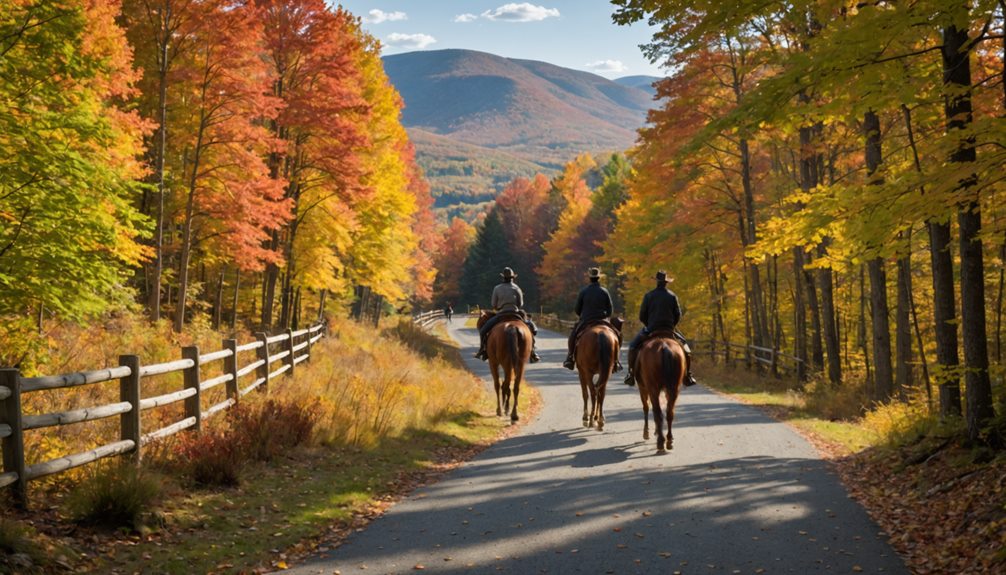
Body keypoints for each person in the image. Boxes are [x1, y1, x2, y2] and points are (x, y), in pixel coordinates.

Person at [623, 270, 697, 387]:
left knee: (633, 346)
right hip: (669, 328)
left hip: (652, 328)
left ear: (657, 282)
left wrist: (649, 325)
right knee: (686, 349)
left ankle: (631, 374)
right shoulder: (672, 296)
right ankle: (688, 375)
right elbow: (678, 314)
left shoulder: (648, 296)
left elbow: (642, 315)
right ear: (666, 283)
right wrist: (672, 325)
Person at [474, 267, 541, 363]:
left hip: (501, 314)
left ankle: (483, 350)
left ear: (503, 278)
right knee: (530, 329)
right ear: (512, 278)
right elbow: (520, 304)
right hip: (515, 313)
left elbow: (494, 304)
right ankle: (533, 352)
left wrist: (499, 306)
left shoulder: (497, 288)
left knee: (483, 330)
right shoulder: (517, 288)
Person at [563, 267, 620, 372]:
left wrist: (582, 315)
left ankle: (570, 357)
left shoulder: (583, 291)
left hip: (586, 320)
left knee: (573, 335)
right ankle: (616, 360)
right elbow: (610, 309)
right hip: (602, 320)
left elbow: (577, 309)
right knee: (617, 334)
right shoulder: (604, 291)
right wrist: (605, 316)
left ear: (590, 278)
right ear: (599, 278)